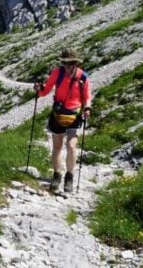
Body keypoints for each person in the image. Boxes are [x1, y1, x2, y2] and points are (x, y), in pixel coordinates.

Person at [33, 48, 92, 193]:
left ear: (76, 63)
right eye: (66, 63)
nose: (68, 66)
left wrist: (88, 108)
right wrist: (39, 89)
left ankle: (69, 177)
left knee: (71, 146)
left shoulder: (83, 77)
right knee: (57, 147)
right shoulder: (57, 73)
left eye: (71, 63)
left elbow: (87, 96)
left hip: (74, 115)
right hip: (58, 114)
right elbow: (45, 91)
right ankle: (57, 175)